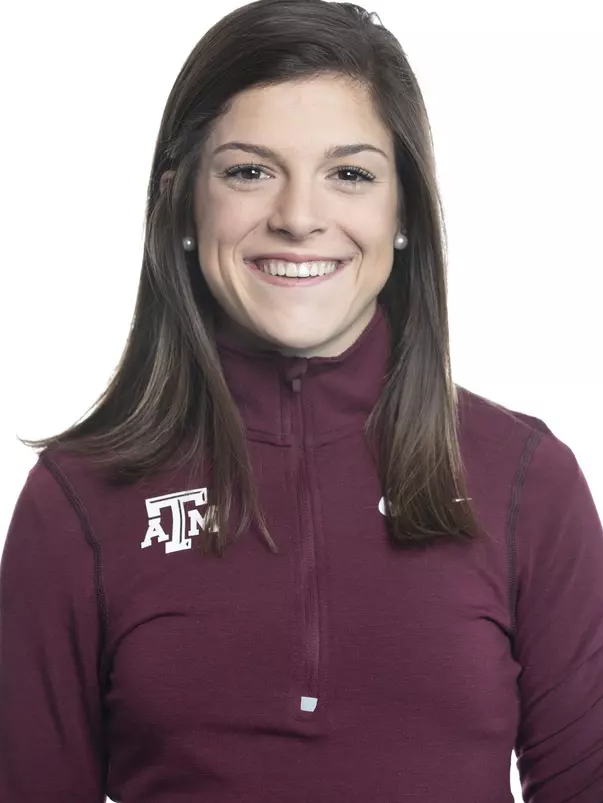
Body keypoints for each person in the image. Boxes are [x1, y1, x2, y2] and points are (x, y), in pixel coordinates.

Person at [1, 0, 602, 800]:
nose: (297, 218)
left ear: (402, 213)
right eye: (249, 171)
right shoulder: (77, 497)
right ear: (183, 201)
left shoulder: (524, 478)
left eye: (348, 174)